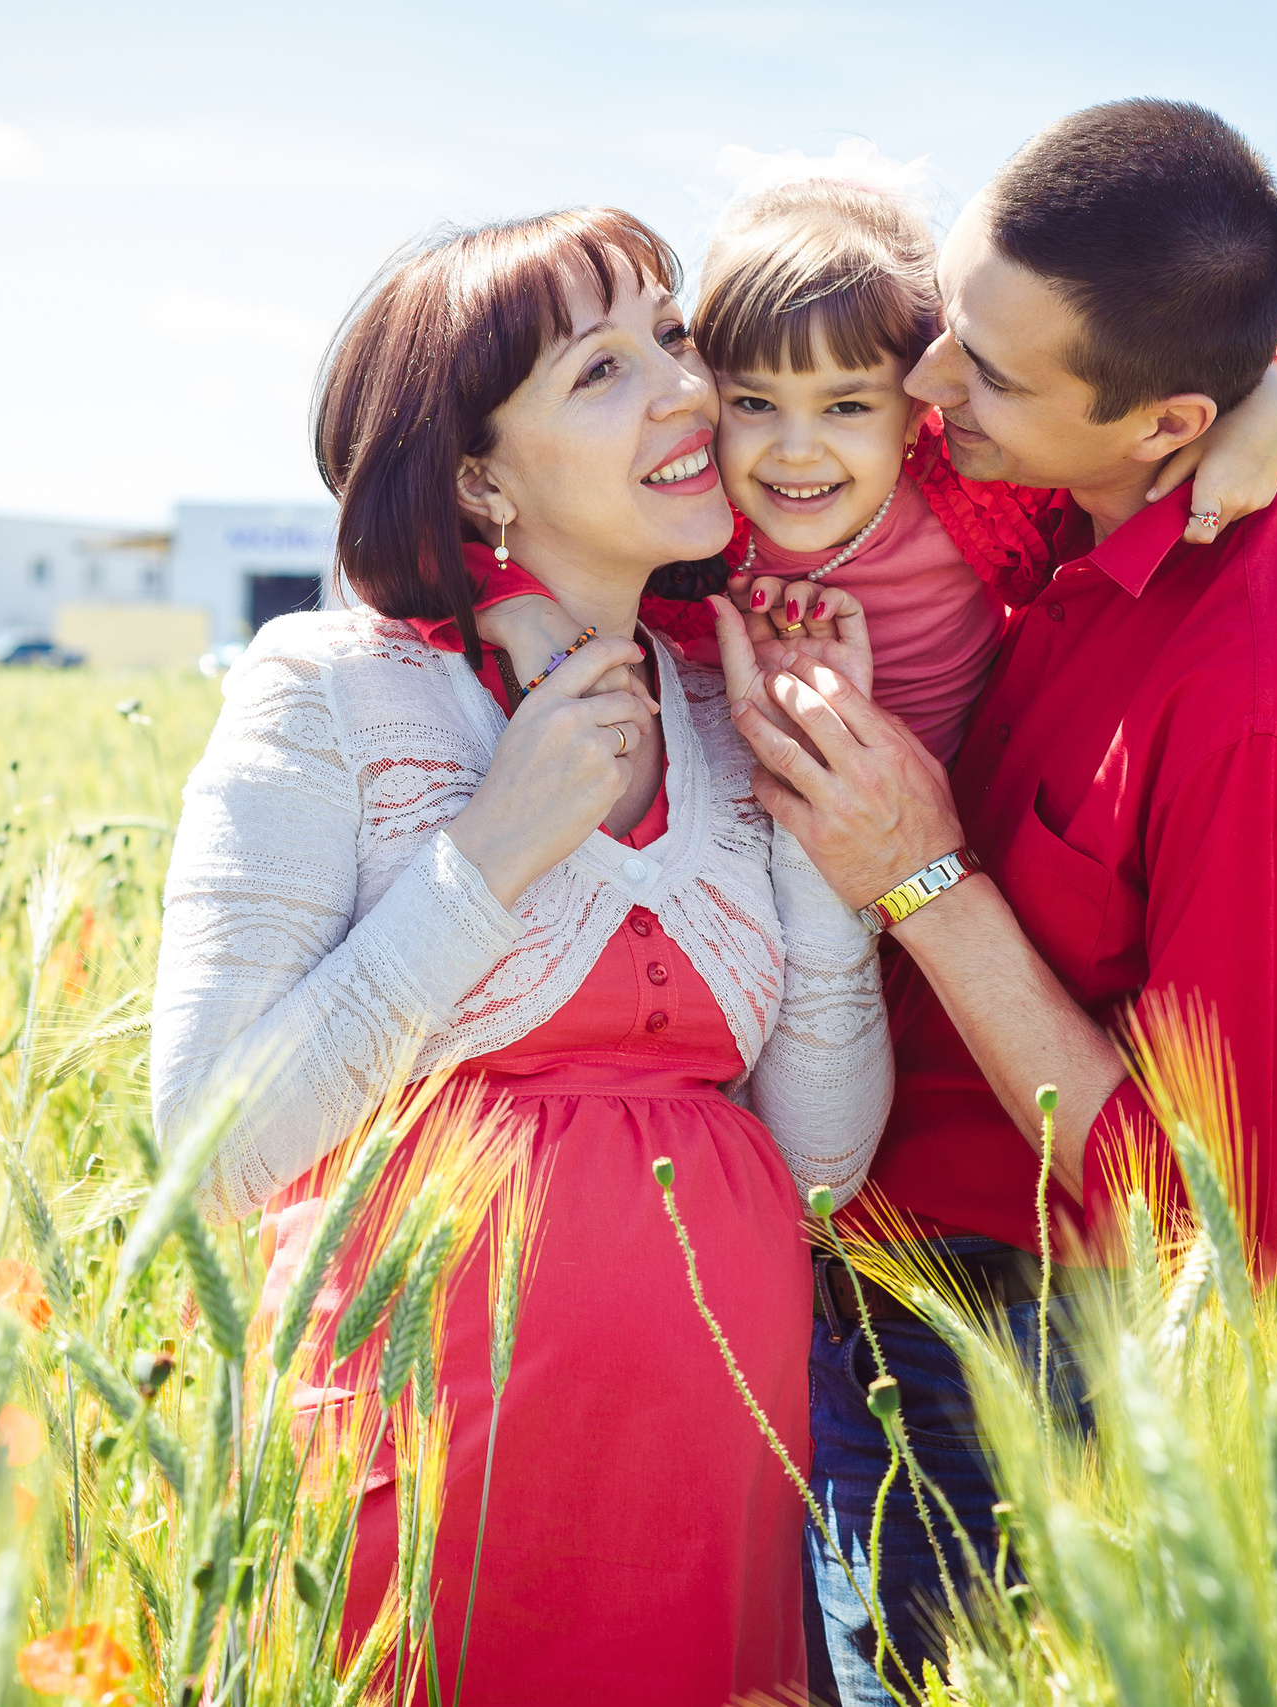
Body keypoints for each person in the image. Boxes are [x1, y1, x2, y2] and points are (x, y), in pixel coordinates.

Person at [718, 101, 1277, 1702]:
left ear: (1162, 422)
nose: (922, 393)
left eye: (977, 371)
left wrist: (921, 875)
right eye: (947, 333)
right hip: (860, 1259)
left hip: (1027, 1344)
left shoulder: (1275, 712)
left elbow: (1207, 1200)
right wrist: (1276, 393)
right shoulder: (1082, 478)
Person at [148, 206, 892, 1705]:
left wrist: (825, 829)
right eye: (600, 370)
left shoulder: (722, 701)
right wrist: (492, 852)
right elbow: (209, 1147)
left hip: (702, 1488)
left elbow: (815, 1164)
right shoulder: (331, 689)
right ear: (481, 476)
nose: (689, 389)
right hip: (416, 1482)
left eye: (673, 337)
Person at [470, 169, 1277, 767]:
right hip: (761, 857)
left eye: (847, 407)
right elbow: (489, 532)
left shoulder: (967, 487)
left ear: (925, 398)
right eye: (754, 403)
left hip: (952, 836)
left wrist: (1276, 388)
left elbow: (1169, 339)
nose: (796, 450)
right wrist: (511, 602)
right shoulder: (696, 522)